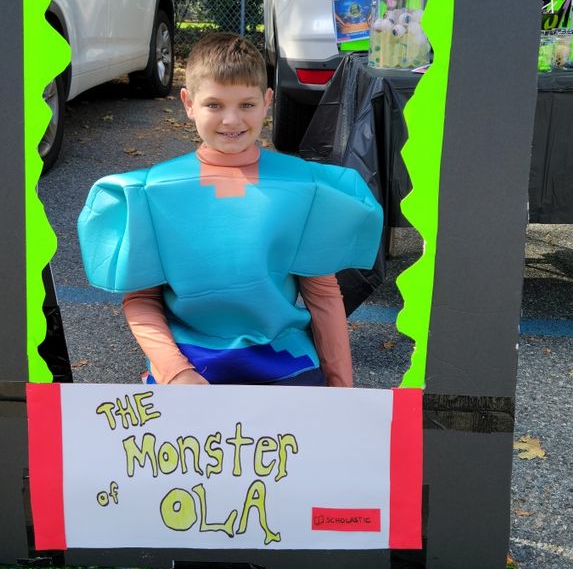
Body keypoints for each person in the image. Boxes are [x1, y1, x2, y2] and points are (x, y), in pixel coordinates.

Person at [78, 33, 382, 388]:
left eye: (247, 105)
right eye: (214, 105)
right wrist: (175, 370)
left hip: (284, 361)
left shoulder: (305, 188)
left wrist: (340, 387)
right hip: (189, 361)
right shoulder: (151, 193)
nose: (232, 120)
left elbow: (324, 296)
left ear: (268, 101)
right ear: (188, 103)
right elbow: (142, 299)